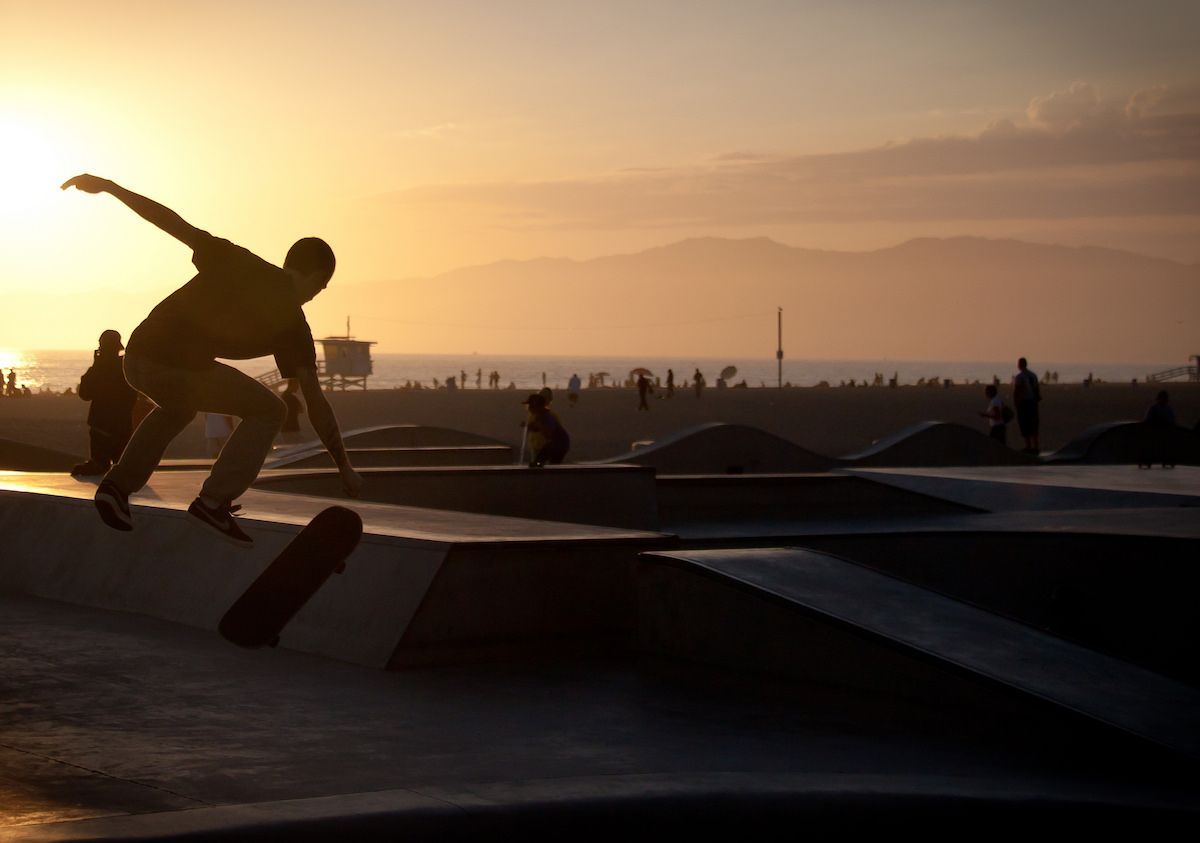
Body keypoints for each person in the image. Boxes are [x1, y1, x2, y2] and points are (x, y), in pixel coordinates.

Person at [63, 173, 361, 546]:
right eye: (320, 287)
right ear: (317, 276)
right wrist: (343, 466)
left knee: (179, 407)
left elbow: (171, 222)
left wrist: (110, 188)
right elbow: (314, 401)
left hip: (137, 357)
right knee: (270, 410)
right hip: (174, 365)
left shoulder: (237, 260)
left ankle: (116, 488)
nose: (316, 295)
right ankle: (213, 501)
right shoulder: (293, 326)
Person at [71, 329, 138, 477]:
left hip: (101, 424)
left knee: (101, 464)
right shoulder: (126, 368)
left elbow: (85, 394)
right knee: (122, 465)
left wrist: (96, 367)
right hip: (122, 424)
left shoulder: (101, 369)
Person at [521, 392, 569, 467]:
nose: (529, 408)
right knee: (540, 461)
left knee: (542, 461)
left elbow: (548, 433)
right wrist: (530, 426)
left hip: (559, 443)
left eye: (530, 405)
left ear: (537, 406)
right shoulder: (539, 416)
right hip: (556, 443)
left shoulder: (546, 416)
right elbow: (538, 429)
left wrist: (539, 426)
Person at [1011, 357, 1041, 454]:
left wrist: (1016, 402)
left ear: (1019, 365)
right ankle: (1035, 446)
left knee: (1025, 423)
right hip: (1033, 402)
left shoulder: (1020, 377)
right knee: (1033, 423)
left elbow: (1018, 390)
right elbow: (1036, 389)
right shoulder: (1033, 375)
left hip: (1024, 402)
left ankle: (1028, 446)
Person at [278, 379, 304, 445]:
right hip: (293, 428)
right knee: (298, 449)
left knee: (290, 449)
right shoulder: (293, 398)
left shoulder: (282, 396)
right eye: (297, 386)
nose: (298, 388)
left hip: (284, 429)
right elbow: (302, 410)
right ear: (292, 385)